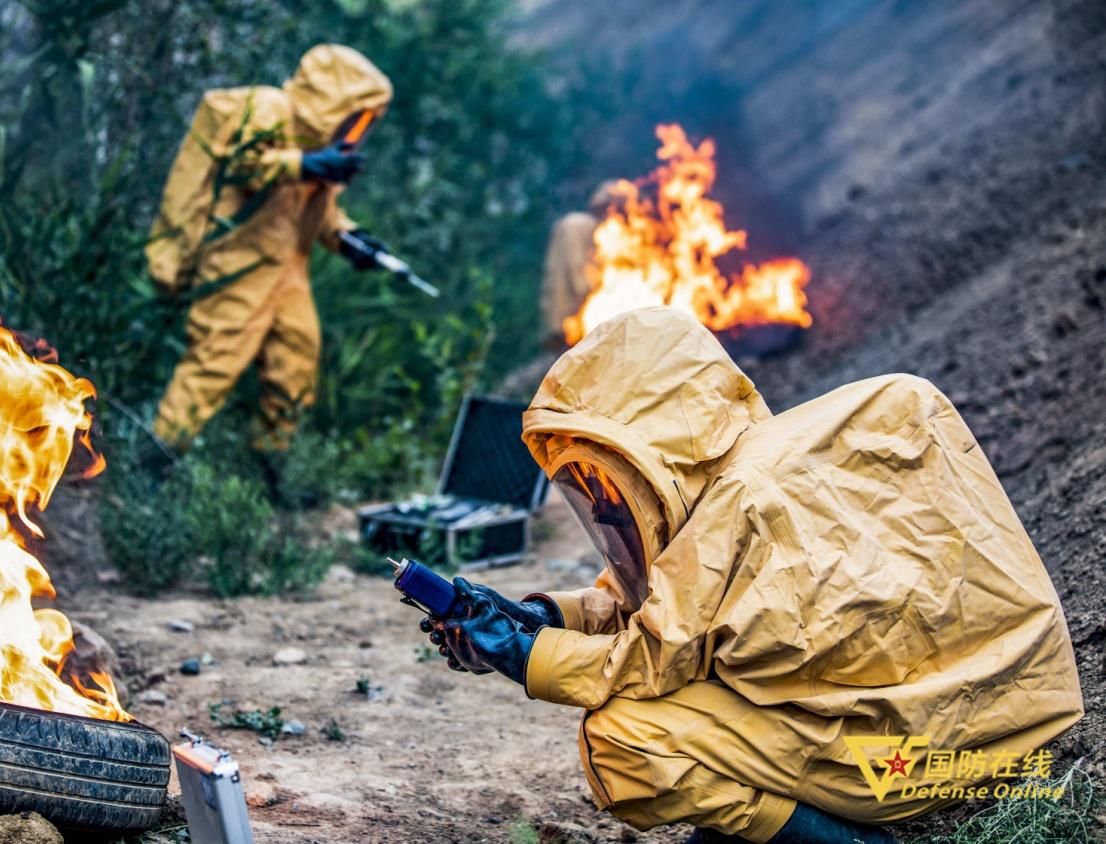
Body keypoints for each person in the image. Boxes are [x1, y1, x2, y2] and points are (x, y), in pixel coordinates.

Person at [420, 307, 1083, 843]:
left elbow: (647, 655)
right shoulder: (752, 478)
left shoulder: (741, 506)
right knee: (687, 698)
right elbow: (659, 606)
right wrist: (541, 618)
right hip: (1001, 722)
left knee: (626, 740)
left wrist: (522, 653)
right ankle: (777, 823)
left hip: (939, 756)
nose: (598, 504)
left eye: (600, 476)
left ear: (648, 441)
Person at [146, 44, 393, 455]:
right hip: (237, 262)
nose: (360, 127)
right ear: (337, 99)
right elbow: (241, 163)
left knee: (294, 367)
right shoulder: (268, 108)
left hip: (287, 272)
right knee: (212, 365)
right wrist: (304, 164)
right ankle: (158, 457)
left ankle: (272, 461)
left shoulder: (321, 146)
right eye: (359, 115)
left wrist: (351, 239)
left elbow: (319, 210)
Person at [539, 182, 616, 352]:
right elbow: (580, 276)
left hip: (560, 323)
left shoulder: (575, 224)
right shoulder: (581, 227)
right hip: (572, 324)